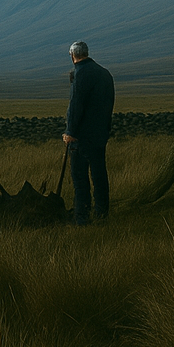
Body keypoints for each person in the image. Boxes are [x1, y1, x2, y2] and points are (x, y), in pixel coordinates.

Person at [63, 41, 114, 225]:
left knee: (80, 179)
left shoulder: (80, 74)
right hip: (100, 134)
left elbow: (76, 106)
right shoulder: (104, 73)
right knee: (100, 175)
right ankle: (102, 214)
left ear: (72, 55)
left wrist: (70, 132)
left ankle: (82, 218)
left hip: (81, 137)